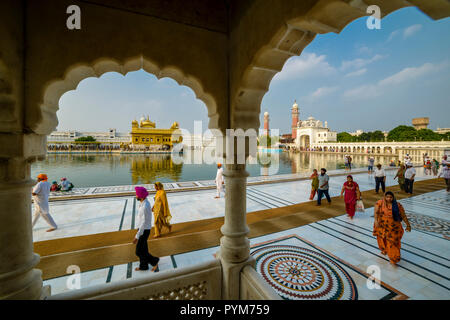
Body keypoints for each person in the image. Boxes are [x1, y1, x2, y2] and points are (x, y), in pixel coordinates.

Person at [373, 191, 411, 265]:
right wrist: (376, 221)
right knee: (382, 238)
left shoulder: (397, 205)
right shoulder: (380, 203)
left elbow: (403, 216)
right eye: (387, 197)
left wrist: (408, 225)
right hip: (382, 225)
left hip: (393, 228)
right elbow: (376, 213)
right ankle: (384, 249)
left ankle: (394, 258)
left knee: (393, 243)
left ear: (393, 198)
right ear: (385, 197)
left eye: (390, 197)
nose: (389, 199)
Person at [133, 186, 159, 272]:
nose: (135, 195)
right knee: (143, 250)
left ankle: (154, 261)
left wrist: (137, 236)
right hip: (143, 229)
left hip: (144, 231)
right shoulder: (143, 203)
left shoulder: (144, 206)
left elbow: (143, 223)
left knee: (139, 251)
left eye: (137, 194)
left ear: (141, 196)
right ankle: (143, 266)